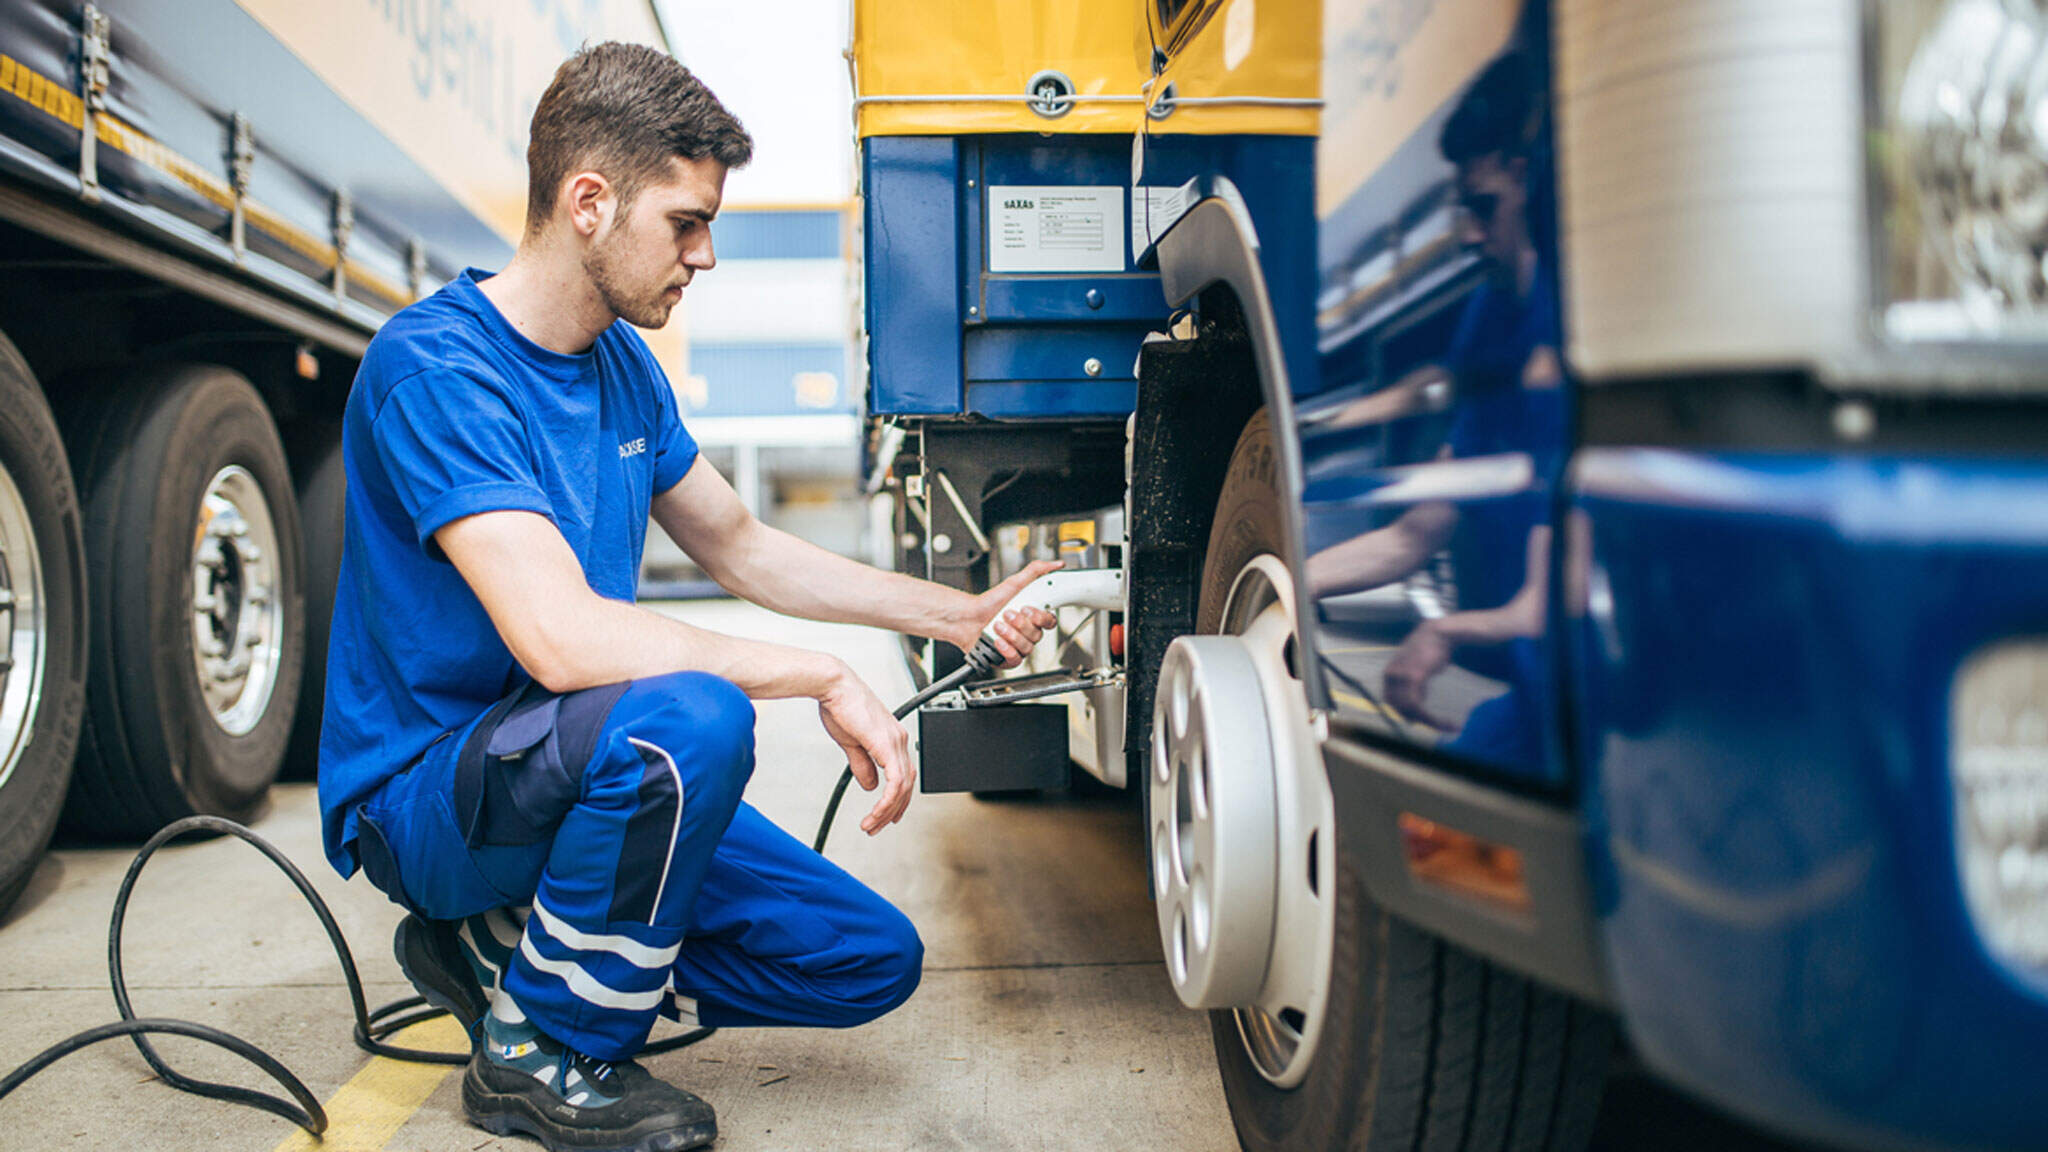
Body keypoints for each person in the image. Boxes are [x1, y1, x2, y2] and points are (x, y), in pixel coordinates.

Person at [316, 43, 1057, 1152]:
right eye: (685, 222)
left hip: (575, 768)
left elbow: (743, 544)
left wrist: (952, 615)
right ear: (587, 201)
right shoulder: (437, 370)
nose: (705, 254)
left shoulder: (621, 368)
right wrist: (813, 674)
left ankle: (495, 951)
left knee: (864, 958)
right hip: (433, 792)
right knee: (692, 716)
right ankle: (538, 1051)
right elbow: (561, 640)